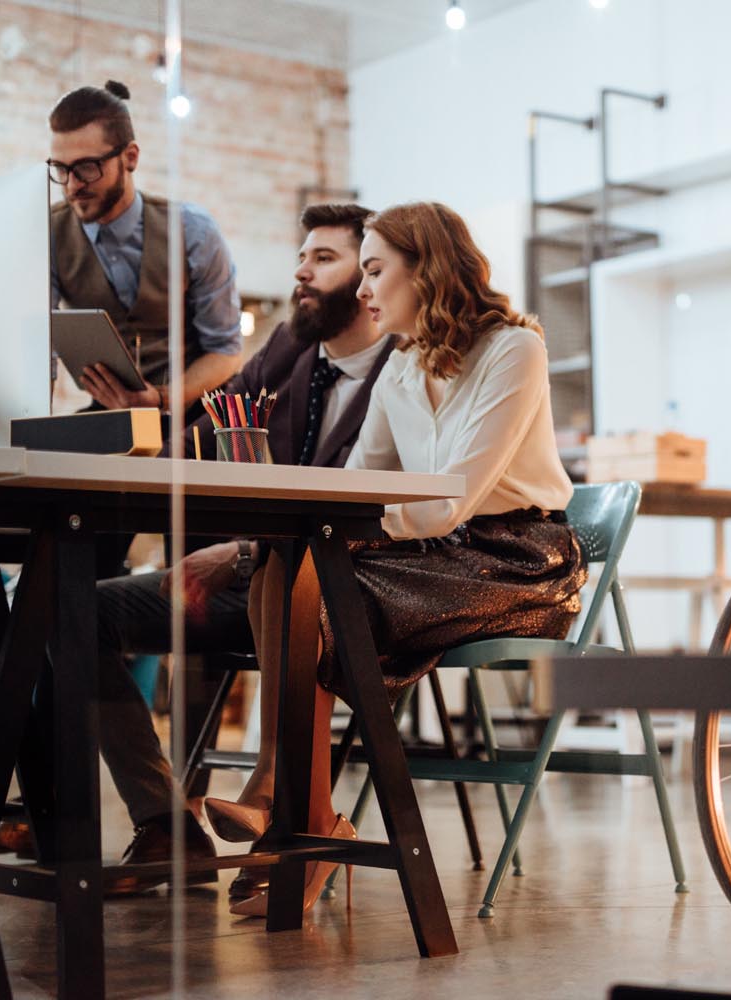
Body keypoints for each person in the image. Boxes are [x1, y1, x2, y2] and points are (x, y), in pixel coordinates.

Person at [207, 201, 587, 917]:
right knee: (284, 570)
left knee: (314, 585)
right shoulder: (403, 364)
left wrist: (337, 527)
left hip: (520, 563)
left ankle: (293, 814)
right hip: (437, 553)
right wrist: (309, 528)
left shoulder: (515, 349)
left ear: (429, 268)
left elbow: (452, 501)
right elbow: (360, 481)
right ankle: (303, 818)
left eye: (376, 270)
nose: (363, 289)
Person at [23, 203, 397, 893]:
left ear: (371, 279)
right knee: (62, 606)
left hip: (341, 593)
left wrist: (241, 549)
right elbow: (199, 432)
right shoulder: (289, 346)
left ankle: (292, 813)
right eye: (302, 255)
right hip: (256, 579)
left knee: (279, 580)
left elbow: (370, 512)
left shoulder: (404, 370)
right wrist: (135, 414)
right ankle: (166, 824)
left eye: (326, 259)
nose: (301, 271)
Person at [47, 80, 242, 415]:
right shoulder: (48, 233)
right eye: (61, 169)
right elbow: (39, 349)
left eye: (87, 168)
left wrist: (162, 398)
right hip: (109, 413)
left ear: (130, 157)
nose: (73, 186)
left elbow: (225, 351)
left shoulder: (192, 230)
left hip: (198, 414)